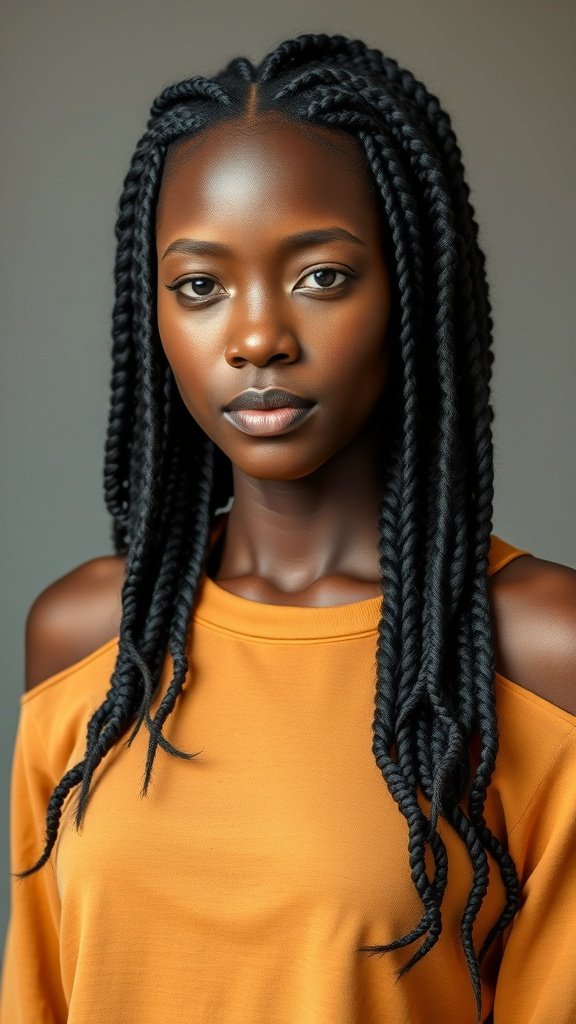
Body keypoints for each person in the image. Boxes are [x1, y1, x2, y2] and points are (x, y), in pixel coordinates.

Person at [1, 32, 575, 1024]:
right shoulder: (87, 637)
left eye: (321, 276)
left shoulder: (537, 654)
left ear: (412, 293)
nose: (258, 334)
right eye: (200, 286)